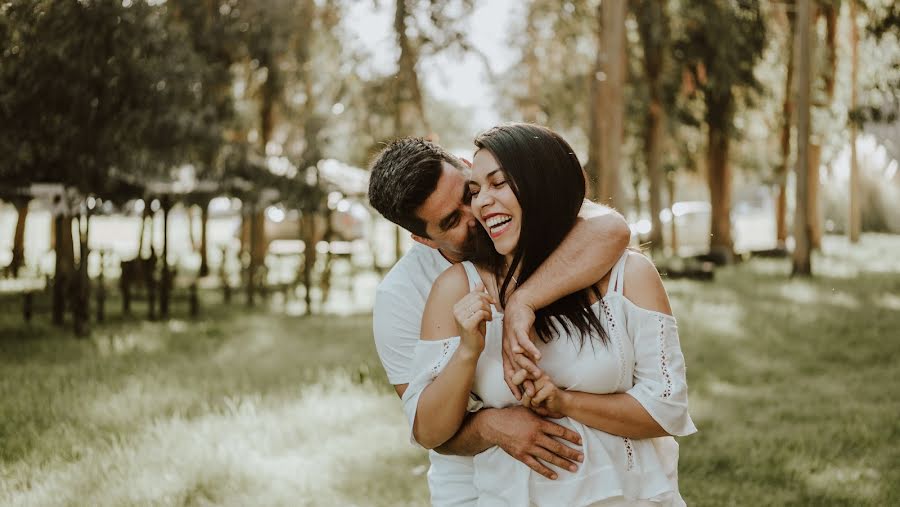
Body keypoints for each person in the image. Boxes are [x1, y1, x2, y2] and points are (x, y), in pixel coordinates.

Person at [402, 123, 697, 506]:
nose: (481, 204)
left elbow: (667, 410)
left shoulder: (629, 274)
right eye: (476, 190)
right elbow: (428, 431)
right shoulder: (457, 288)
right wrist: (466, 352)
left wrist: (565, 402)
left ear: (541, 182)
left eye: (499, 183)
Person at [368, 137, 631, 506]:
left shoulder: (518, 206)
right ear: (423, 239)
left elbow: (612, 229)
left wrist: (522, 301)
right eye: (452, 221)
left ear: (465, 165)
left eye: (467, 192)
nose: (476, 212)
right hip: (472, 485)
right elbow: (427, 428)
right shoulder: (400, 297)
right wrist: (492, 426)